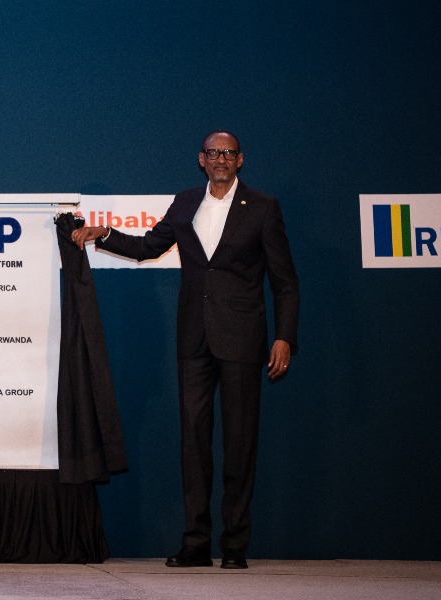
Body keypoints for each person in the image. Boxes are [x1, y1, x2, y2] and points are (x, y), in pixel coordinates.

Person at [72, 131, 299, 569]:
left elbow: (285, 282)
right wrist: (105, 234)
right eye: (213, 153)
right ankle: (195, 542)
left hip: (242, 339)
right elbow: (146, 248)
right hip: (194, 339)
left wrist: (284, 336)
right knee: (193, 443)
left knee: (239, 442)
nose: (220, 159)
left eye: (228, 153)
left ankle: (235, 545)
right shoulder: (185, 202)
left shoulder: (263, 207)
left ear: (239, 160)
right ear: (201, 159)